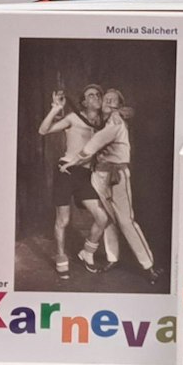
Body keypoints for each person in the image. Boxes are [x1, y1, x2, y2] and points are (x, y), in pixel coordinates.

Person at [61, 88, 160, 285]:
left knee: (125, 221)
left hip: (117, 175)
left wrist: (74, 161)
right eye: (105, 98)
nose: (107, 101)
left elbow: (96, 142)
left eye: (113, 100)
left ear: (118, 106)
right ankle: (112, 258)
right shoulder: (101, 121)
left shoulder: (115, 120)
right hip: (99, 175)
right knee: (109, 220)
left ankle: (148, 265)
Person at [39, 83, 116, 278]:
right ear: (83, 102)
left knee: (102, 217)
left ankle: (87, 253)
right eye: (90, 95)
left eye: (98, 95)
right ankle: (61, 256)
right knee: (63, 219)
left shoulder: (104, 123)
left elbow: (125, 112)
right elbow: (43, 130)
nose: (96, 97)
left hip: (85, 175)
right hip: (66, 171)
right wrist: (55, 109)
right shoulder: (73, 118)